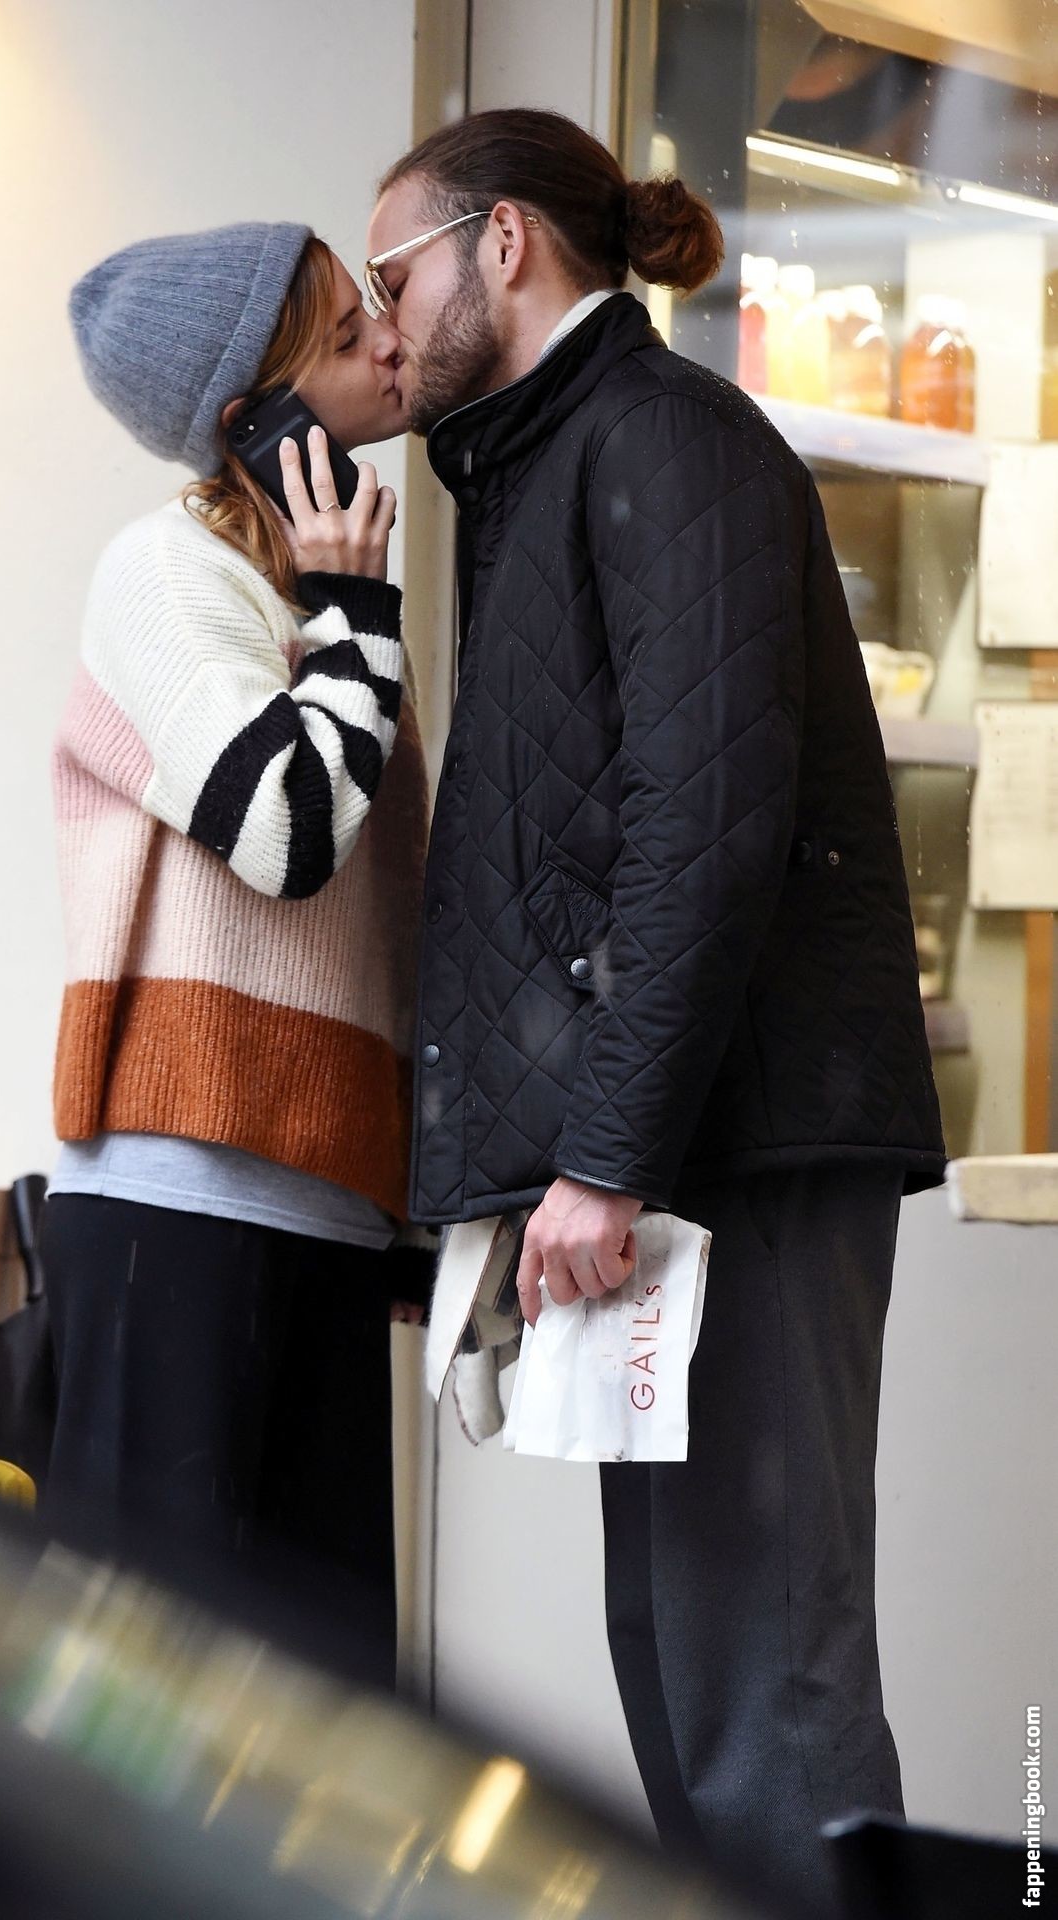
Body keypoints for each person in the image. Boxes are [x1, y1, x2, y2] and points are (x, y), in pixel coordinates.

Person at [366, 108, 946, 1912]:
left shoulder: (661, 441)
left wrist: (600, 1157)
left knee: (760, 1687)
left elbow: (704, 829)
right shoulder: (547, 460)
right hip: (676, 1148)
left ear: (503, 242)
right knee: (682, 1670)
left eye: (393, 274)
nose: (385, 321)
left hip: (733, 1148)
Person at [40, 221, 432, 1690]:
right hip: (180, 1198)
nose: (389, 341)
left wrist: (403, 1198)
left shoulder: (303, 603)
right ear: (249, 417)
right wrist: (356, 617)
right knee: (143, 1703)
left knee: (318, 1714)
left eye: (375, 308)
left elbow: (387, 917)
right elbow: (286, 830)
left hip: (317, 1206)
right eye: (343, 334)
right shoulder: (165, 576)